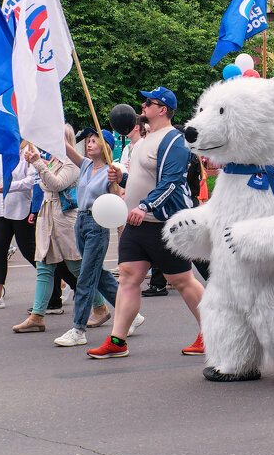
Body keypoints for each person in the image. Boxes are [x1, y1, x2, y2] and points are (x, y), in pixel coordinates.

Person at [87, 87, 205, 360]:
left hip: (162, 222)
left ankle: (214, 332)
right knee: (129, 277)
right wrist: (122, 178)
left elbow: (172, 182)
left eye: (148, 102)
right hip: (137, 223)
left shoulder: (175, 140)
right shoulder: (144, 140)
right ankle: (118, 340)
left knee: (182, 280)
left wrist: (145, 206)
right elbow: (145, 180)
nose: (142, 105)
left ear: (162, 109)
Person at [54, 126, 129, 348]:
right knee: (99, 274)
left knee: (86, 276)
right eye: (87, 140)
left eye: (94, 141)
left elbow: (117, 203)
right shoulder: (85, 165)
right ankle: (131, 314)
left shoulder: (111, 171)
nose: (88, 144)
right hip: (81, 221)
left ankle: (79, 329)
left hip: (98, 224)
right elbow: (66, 149)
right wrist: (52, 130)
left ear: (106, 146)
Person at [11, 141, 82, 334]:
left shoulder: (71, 162)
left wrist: (38, 164)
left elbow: (56, 184)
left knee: (75, 266)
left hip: (64, 220)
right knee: (43, 265)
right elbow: (44, 184)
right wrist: (40, 164)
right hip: (48, 216)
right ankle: (37, 316)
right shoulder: (53, 160)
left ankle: (101, 306)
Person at [0, 142, 40, 310]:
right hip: (2, 209)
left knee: (29, 250)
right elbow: (2, 178)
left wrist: (10, 187)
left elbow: (32, 181)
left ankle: (57, 280)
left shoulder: (30, 150)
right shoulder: (5, 149)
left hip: (21, 208)